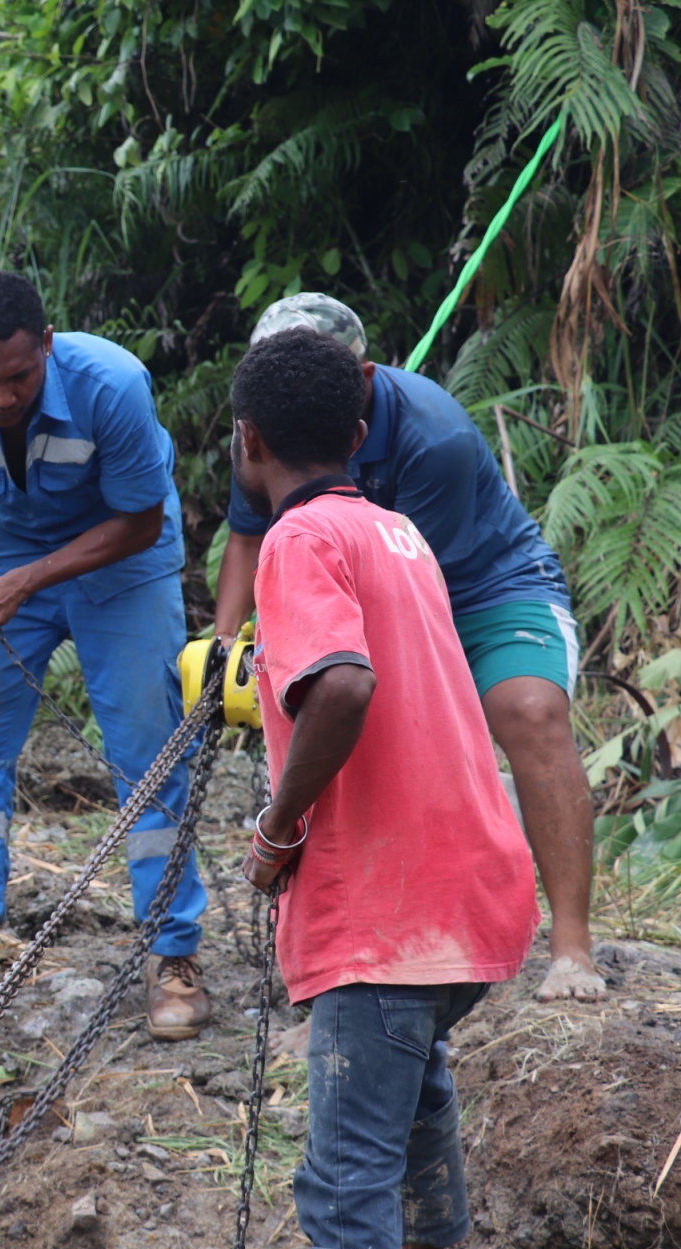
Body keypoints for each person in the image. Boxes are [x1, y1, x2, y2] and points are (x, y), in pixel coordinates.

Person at [233, 327, 537, 1249]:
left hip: (384, 917)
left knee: (346, 1188)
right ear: (362, 432)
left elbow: (345, 685)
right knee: (408, 1092)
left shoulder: (298, 538)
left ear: (247, 441)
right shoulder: (395, 532)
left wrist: (278, 828)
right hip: (468, 898)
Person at [213, 293, 602, 1003]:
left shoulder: (433, 434)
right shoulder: (266, 429)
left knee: (530, 712)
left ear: (361, 378)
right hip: (368, 588)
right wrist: (223, 647)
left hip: (483, 583)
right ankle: (376, 942)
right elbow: (248, 535)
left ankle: (572, 945)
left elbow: (409, 579)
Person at [0, 270, 210, 1037]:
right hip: (13, 552)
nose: (2, 397)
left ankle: (172, 955)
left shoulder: (112, 385)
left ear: (46, 344)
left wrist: (24, 583)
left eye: (19, 376)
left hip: (123, 564)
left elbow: (139, 521)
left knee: (148, 753)